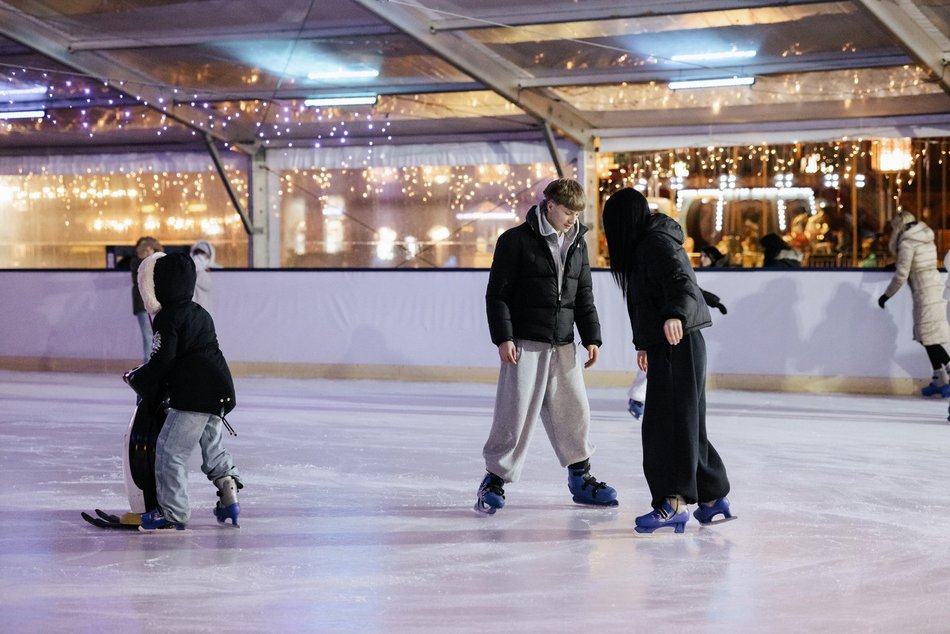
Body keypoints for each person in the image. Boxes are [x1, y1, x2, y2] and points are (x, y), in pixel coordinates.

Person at [475, 178, 618, 514]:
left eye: (577, 213)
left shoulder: (578, 242)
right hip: (525, 342)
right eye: (568, 211)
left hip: (564, 343)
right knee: (514, 414)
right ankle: (493, 480)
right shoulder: (515, 241)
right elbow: (498, 294)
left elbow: (583, 294)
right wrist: (504, 337)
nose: (573, 218)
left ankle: (580, 477)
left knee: (575, 412)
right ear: (550, 204)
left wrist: (592, 337)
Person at [602, 187, 733, 534]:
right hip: (672, 343)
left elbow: (680, 284)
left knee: (667, 426)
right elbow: (650, 299)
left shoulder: (654, 243)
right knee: (685, 423)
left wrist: (675, 313)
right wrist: (644, 344)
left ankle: (672, 503)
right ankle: (711, 497)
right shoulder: (649, 244)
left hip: (679, 341)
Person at [123, 252, 243, 530]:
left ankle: (173, 512)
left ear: (158, 285)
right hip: (220, 391)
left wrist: (137, 378)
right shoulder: (200, 312)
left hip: (194, 394)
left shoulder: (167, 317)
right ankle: (229, 495)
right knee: (212, 446)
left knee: (169, 451)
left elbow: (164, 360)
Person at [878, 210, 950, 398]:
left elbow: (902, 274)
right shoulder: (925, 237)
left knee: (929, 338)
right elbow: (916, 263)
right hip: (934, 288)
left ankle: (947, 376)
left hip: (924, 293)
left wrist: (886, 296)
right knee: (927, 337)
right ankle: (938, 379)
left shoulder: (907, 242)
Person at [625, 289, 727, 420]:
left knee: (670, 366)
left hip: (677, 327)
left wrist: (714, 301)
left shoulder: (675, 277)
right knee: (652, 363)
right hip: (658, 325)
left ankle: (661, 401)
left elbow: (690, 289)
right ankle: (637, 398)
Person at [130, 237, 163, 363]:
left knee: (158, 334)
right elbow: (140, 280)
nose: (149, 252)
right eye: (146, 250)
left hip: (157, 303)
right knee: (148, 335)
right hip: (143, 305)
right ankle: (149, 364)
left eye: (151, 250)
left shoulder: (158, 262)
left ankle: (157, 364)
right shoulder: (138, 264)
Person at [190, 240, 219, 317]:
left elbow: (207, 285)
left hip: (207, 314)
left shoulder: (218, 270)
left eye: (202, 253)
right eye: (196, 252)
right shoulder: (188, 270)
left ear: (209, 255)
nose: (198, 256)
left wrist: (199, 270)